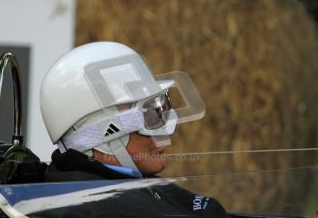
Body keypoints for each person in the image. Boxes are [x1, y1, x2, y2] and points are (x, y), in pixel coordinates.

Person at [40, 41, 229, 217]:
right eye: (150, 116)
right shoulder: (99, 206)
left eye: (161, 108)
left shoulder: (116, 185)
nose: (163, 135)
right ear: (106, 134)